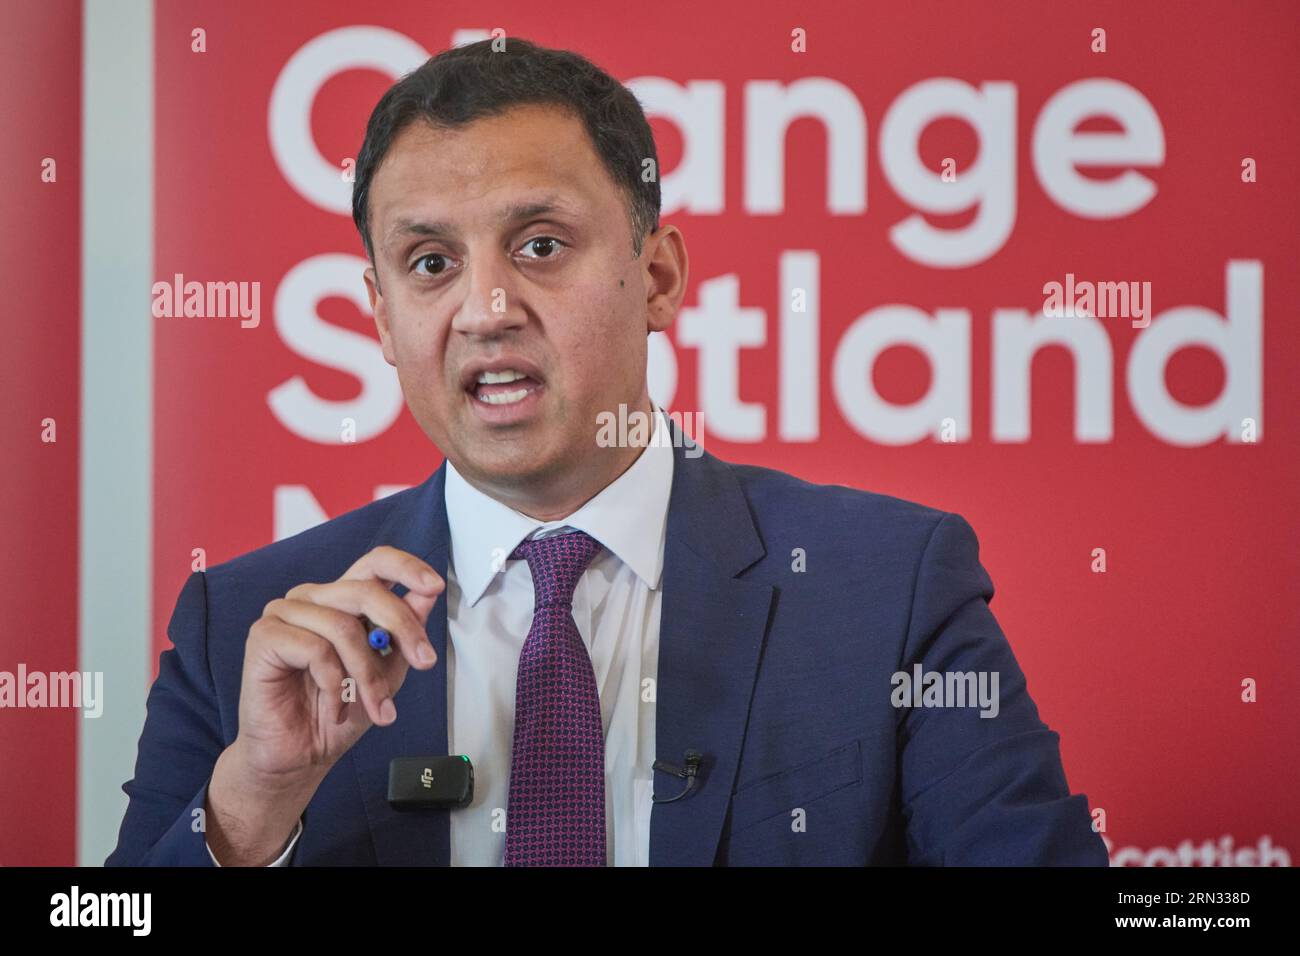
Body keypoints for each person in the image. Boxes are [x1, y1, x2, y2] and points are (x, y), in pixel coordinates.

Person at [107, 37, 1106, 867]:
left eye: (539, 244)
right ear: (379, 316)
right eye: (429, 264)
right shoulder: (238, 627)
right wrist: (249, 805)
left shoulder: (887, 589)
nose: (486, 311)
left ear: (659, 275)